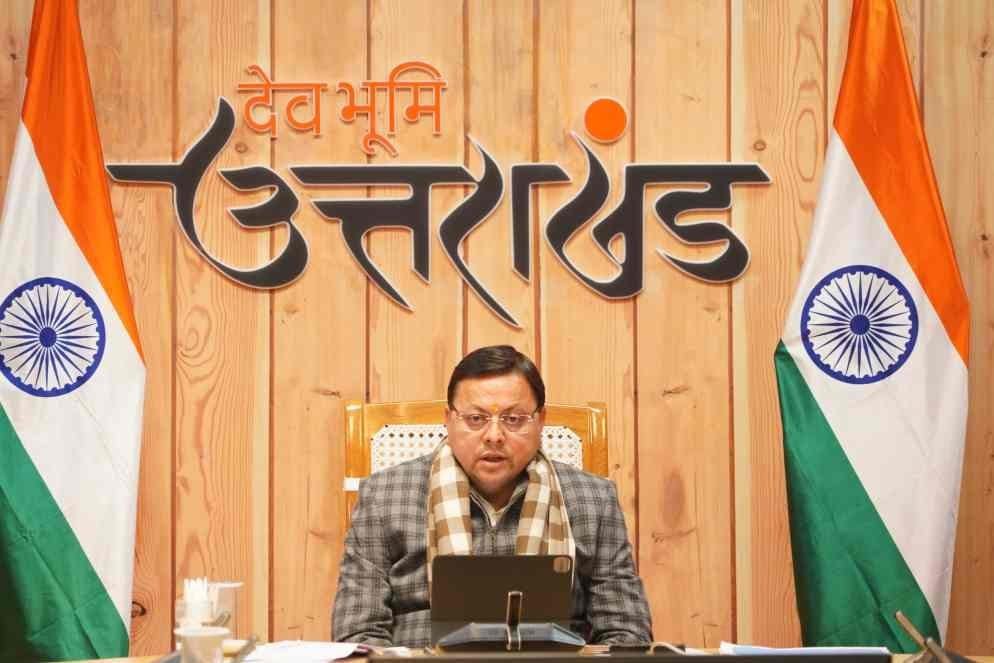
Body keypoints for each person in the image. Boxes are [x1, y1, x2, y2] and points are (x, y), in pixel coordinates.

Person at [332, 345, 652, 647]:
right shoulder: (384, 496)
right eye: (476, 419)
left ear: (540, 421)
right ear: (448, 419)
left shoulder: (594, 499)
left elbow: (626, 632)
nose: (495, 436)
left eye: (513, 419)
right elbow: (358, 633)